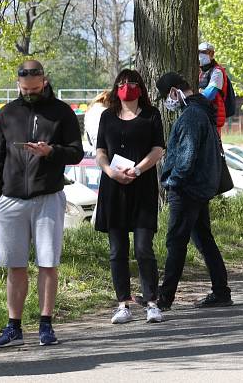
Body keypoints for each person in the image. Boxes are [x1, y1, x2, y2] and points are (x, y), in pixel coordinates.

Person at [0, 60, 83, 348]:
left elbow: (77, 153)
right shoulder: (6, 114)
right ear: (18, 84)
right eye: (24, 89)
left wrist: (51, 151)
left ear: (44, 80)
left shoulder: (61, 113)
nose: (29, 93)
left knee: (47, 262)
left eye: (35, 88)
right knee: (15, 266)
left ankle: (45, 324)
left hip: (47, 198)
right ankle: (13, 326)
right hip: (10, 199)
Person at [155, 71, 233, 310]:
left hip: (187, 189)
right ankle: (221, 291)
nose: (167, 103)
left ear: (172, 92)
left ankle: (164, 298)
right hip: (201, 188)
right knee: (203, 240)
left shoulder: (191, 115)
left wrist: (173, 181)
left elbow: (186, 157)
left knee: (175, 242)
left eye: (165, 97)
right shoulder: (203, 110)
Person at [94, 70, 165, 324]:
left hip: (142, 186)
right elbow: (100, 150)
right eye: (122, 83)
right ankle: (123, 303)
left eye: (132, 83)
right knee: (117, 251)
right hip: (114, 189)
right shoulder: (107, 117)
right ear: (116, 88)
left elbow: (158, 148)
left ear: (141, 88)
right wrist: (109, 171)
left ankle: (152, 302)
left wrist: (137, 168)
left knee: (143, 248)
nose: (127, 87)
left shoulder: (151, 115)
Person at [198, 42, 228, 132]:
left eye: (204, 52)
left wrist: (197, 93)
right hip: (204, 114)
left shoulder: (217, 72)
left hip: (214, 116)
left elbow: (209, 94)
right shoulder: (201, 72)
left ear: (211, 54)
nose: (201, 55)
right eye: (199, 52)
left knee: (214, 145)